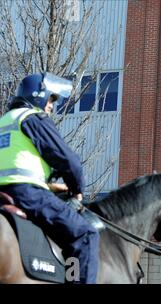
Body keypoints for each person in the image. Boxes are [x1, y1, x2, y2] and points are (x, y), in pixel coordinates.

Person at [0, 72, 99, 284]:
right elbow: (68, 160)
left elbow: (15, 165)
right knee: (86, 235)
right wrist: (76, 189)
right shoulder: (31, 117)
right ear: (39, 95)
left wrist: (52, 186)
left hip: (5, 194)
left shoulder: (4, 122)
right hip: (27, 195)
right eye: (51, 99)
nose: (52, 106)